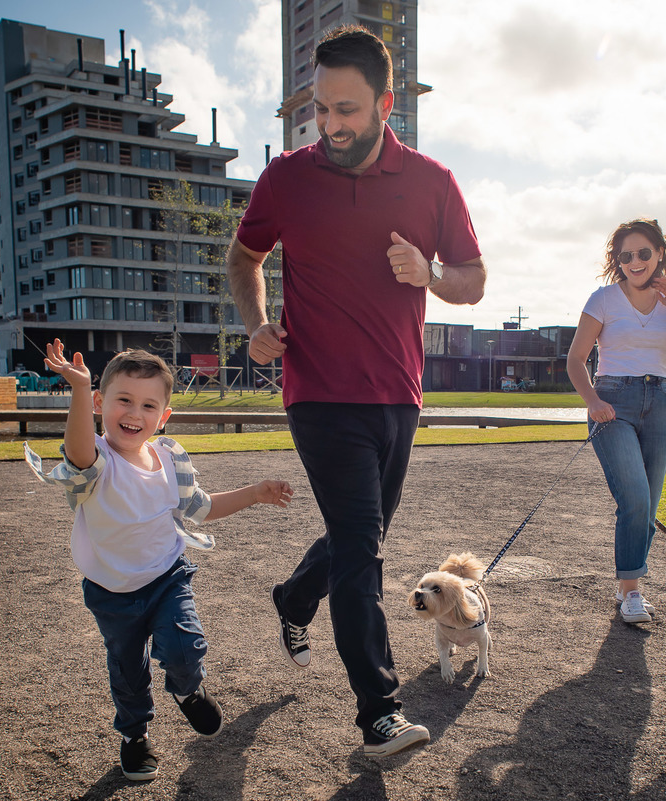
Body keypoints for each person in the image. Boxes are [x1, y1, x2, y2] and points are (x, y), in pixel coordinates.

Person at [225, 25, 486, 757]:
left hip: (398, 393)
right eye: (320, 108)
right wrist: (255, 325)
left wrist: (428, 275)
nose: (329, 124)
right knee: (364, 552)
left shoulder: (431, 181)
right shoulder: (287, 177)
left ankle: (293, 596)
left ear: (385, 102)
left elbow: (473, 278)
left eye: (346, 109)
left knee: (357, 539)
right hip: (317, 392)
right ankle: (379, 711)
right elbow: (243, 256)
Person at [24, 341, 293, 782]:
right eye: (123, 400)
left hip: (168, 577)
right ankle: (134, 736)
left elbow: (200, 507)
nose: (135, 412)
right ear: (100, 403)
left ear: (163, 416)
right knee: (128, 671)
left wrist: (254, 494)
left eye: (149, 405)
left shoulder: (170, 456)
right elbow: (76, 452)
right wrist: (78, 388)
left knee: (186, 648)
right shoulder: (97, 460)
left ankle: (188, 690)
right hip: (111, 592)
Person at [566, 219, 666, 624]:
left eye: (643, 253)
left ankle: (625, 580)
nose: (635, 262)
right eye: (626, 255)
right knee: (634, 497)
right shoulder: (604, 299)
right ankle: (632, 591)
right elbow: (576, 359)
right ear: (618, 261)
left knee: (648, 504)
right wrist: (593, 400)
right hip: (611, 403)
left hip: (659, 402)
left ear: (660, 254)